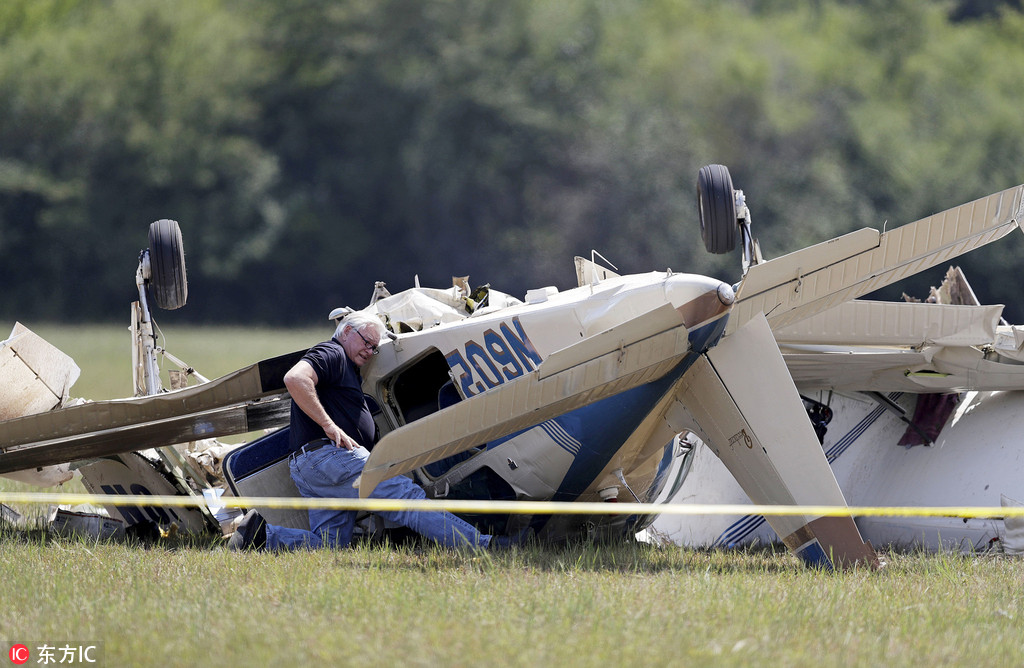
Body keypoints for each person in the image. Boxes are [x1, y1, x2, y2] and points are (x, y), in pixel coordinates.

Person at [229, 313, 503, 551]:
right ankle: (484, 545)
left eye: (374, 348)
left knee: (330, 545)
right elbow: (295, 378)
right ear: (347, 331)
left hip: (314, 466)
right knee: (409, 501)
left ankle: (260, 535)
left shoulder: (346, 366)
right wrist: (329, 425)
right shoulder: (332, 352)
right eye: (366, 342)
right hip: (331, 458)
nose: (369, 351)